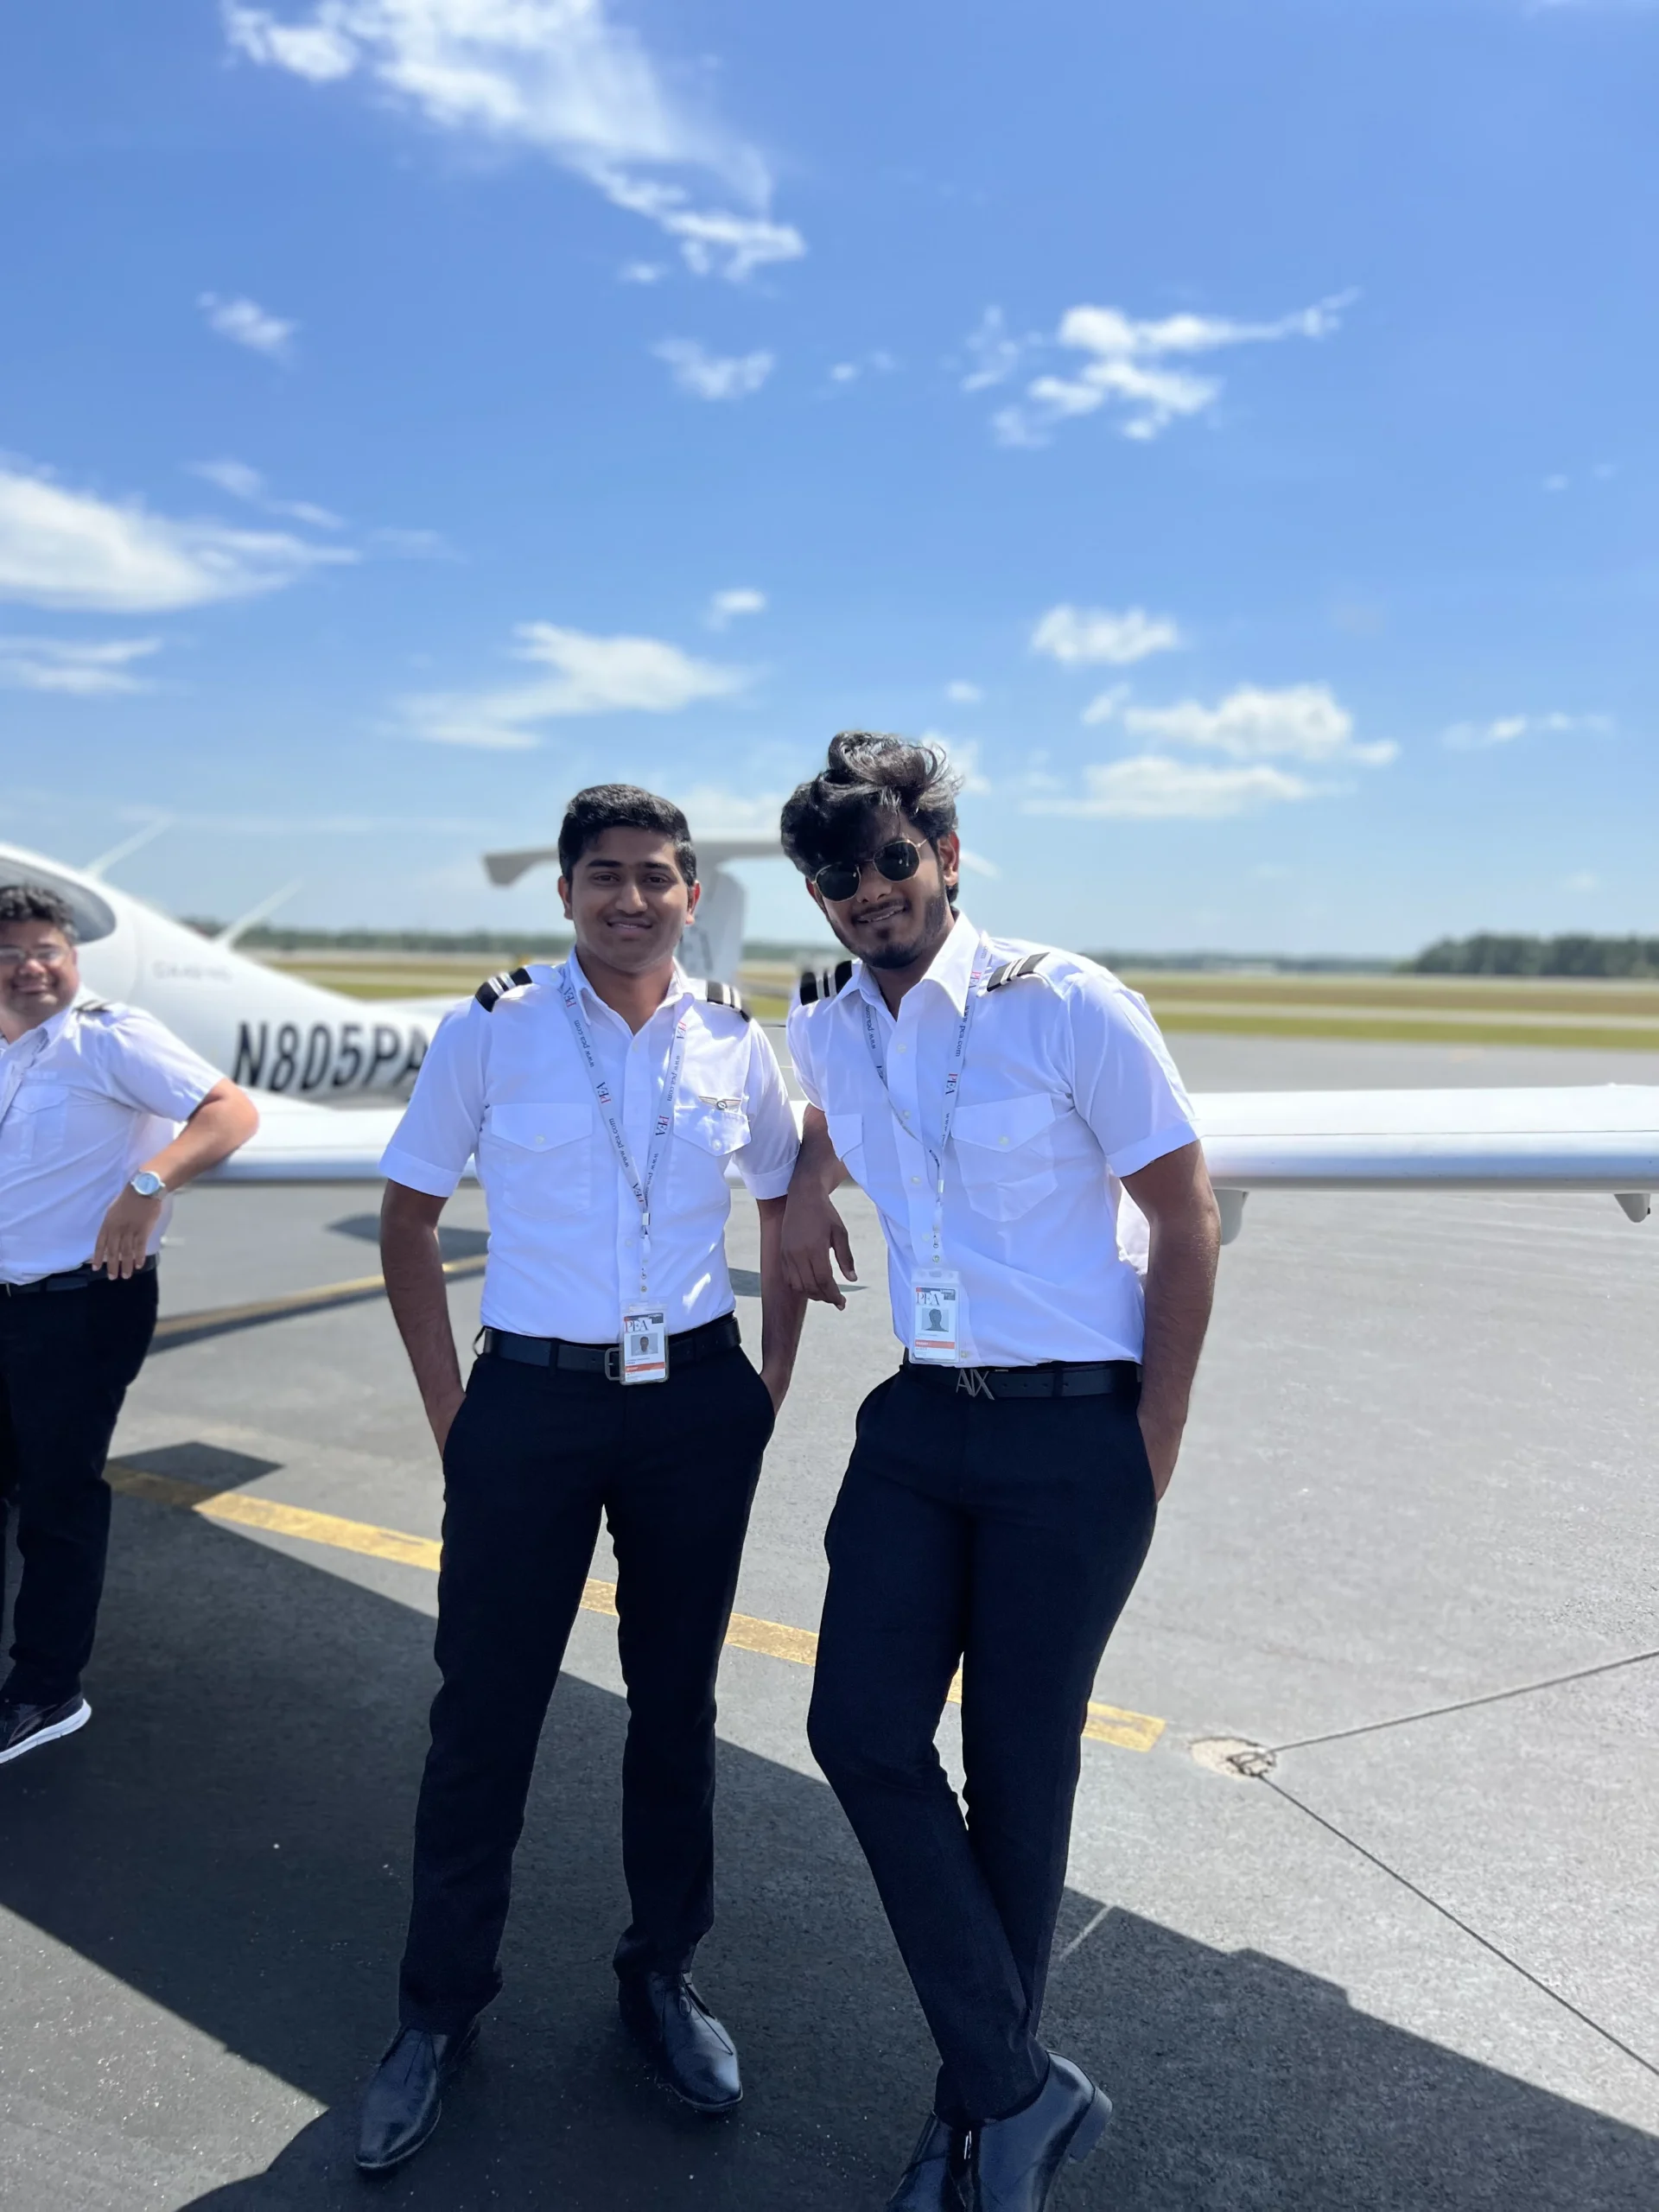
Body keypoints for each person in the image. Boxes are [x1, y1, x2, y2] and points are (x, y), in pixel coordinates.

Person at [779, 735, 1220, 2212]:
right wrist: (801, 1192)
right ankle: (1021, 2092)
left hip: (1073, 1434)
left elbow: (1184, 1214)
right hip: (919, 1425)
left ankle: (969, 2124)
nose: (868, 892)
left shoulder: (1068, 1003)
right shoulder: (829, 1024)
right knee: (858, 1732)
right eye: (838, 876)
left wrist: (1151, 1441)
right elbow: (837, 1120)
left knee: (1020, 1780)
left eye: (892, 861)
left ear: (948, 859)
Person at [358, 785, 806, 2176]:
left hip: (694, 1406)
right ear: (565, 895)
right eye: (604, 875)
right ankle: (437, 2010)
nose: (631, 897)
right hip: (530, 1406)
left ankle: (661, 1975)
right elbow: (409, 1217)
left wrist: (769, 1384)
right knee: (482, 1713)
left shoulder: (733, 1038)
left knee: (675, 1709)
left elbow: (788, 1195)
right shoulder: (491, 1028)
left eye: (656, 876)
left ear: (689, 896)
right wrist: (455, 1413)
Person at [0, 883, 258, 1766]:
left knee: (58, 1499)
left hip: (81, 1303)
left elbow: (229, 1110)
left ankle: (46, 1690)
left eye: (47, 951)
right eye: (10, 953)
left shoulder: (108, 1036)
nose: (31, 968)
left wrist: (148, 1185)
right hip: (7, 1304)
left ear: (72, 958)